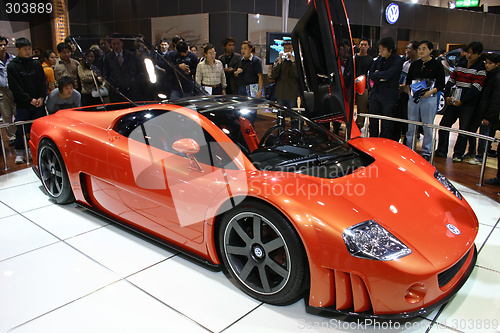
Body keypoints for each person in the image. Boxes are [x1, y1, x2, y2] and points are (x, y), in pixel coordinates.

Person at [436, 42, 486, 161]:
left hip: (468, 104)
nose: (469, 55)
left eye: (472, 53)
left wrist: (462, 101)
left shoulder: (480, 68)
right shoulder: (461, 63)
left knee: (464, 130)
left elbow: (476, 88)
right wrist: (447, 95)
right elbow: (451, 80)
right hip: (453, 101)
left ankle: (458, 154)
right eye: (468, 52)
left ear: (479, 54)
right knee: (444, 125)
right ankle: (441, 151)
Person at [7, 38, 47, 164]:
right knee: (21, 129)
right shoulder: (12, 66)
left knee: (38, 128)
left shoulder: (36, 64)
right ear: (18, 49)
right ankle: (20, 152)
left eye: (29, 48)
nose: (28, 51)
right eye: (25, 49)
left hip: (38, 102)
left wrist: (41, 97)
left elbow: (42, 82)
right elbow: (15, 87)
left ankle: (35, 150)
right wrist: (29, 100)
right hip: (23, 104)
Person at [405, 41, 445, 160]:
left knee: (428, 125)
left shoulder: (437, 65)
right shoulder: (415, 64)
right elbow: (408, 81)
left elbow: (441, 84)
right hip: (414, 97)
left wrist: (430, 92)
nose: (421, 51)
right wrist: (410, 92)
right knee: (411, 124)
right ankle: (409, 148)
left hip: (429, 98)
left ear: (431, 50)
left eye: (424, 49)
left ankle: (426, 151)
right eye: (419, 49)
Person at [368, 37, 404, 139]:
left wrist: (378, 74)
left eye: (383, 49)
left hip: (389, 96)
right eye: (380, 49)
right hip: (376, 93)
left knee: (386, 123)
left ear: (390, 49)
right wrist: (380, 77)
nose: (380, 51)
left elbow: (390, 74)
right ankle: (373, 140)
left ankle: (384, 142)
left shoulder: (397, 60)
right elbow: (371, 74)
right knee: (373, 120)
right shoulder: (379, 59)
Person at [468, 53, 500, 165]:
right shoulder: (488, 75)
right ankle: (473, 152)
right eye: (486, 62)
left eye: (490, 63)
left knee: (484, 135)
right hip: (481, 110)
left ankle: (481, 156)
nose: (487, 65)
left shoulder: (496, 78)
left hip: (487, 113)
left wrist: (488, 116)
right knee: (475, 132)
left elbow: (495, 99)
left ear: (497, 64)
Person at [103, 33, 138, 102]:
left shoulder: (130, 55)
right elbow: (106, 73)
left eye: (118, 43)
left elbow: (135, 70)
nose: (116, 46)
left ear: (122, 43)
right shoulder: (108, 57)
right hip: (115, 90)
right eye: (113, 44)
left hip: (129, 89)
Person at [269, 40, 299, 109]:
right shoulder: (278, 60)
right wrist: (279, 62)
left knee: (293, 113)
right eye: (285, 48)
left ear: (292, 49)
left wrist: (293, 62)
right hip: (280, 93)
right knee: (280, 113)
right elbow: (273, 74)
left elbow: (297, 75)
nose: (287, 51)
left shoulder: (296, 61)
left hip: (292, 93)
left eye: (289, 48)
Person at [0, 35, 16, 146]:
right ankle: (11, 136)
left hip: (13, 89)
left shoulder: (13, 59)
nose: (3, 47)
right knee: (6, 114)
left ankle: (19, 134)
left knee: (17, 112)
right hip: (1, 90)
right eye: (0, 45)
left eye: (4, 45)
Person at [354, 38, 373, 130]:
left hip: (364, 87)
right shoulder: (354, 58)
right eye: (361, 44)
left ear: (368, 46)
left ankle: (359, 126)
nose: (363, 46)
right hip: (352, 86)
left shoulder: (370, 60)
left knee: (362, 108)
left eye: (365, 45)